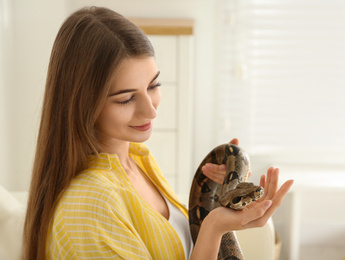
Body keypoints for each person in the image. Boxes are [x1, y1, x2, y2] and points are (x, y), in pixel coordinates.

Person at [23, 6, 293, 260]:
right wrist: (214, 226)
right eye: (126, 99)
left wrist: (222, 204)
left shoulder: (137, 159)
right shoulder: (89, 208)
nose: (151, 111)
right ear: (81, 104)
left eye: (153, 85)